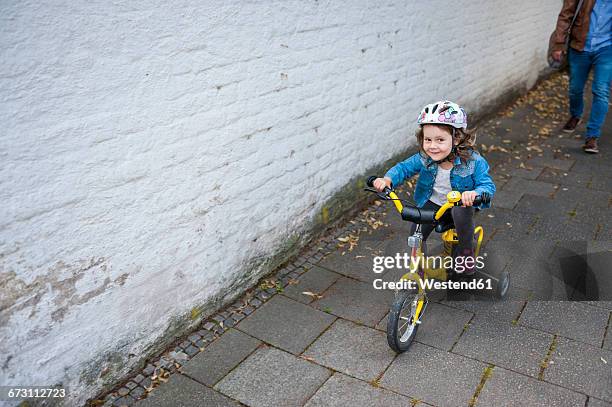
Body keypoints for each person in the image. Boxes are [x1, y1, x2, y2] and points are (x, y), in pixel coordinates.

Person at [372, 101, 496, 275]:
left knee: (461, 211)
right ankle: (417, 267)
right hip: (433, 203)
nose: (432, 146)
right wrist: (387, 179)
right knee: (416, 231)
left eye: (440, 140)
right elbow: (403, 168)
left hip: (458, 205)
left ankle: (466, 252)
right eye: (427, 139)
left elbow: (487, 186)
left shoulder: (474, 161)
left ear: (457, 138)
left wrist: (474, 194)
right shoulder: (425, 158)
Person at [551, 0, 612, 154]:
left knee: (601, 90)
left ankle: (592, 136)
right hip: (580, 46)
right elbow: (566, 15)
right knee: (575, 88)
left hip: (606, 50)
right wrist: (558, 44)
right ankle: (576, 114)